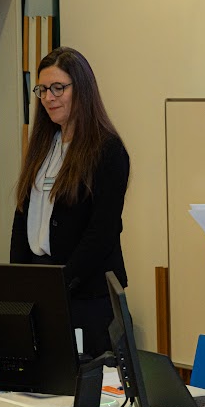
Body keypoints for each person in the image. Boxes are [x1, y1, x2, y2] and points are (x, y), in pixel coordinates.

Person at [11, 47, 129, 357]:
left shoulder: (108, 150)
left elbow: (101, 233)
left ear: (82, 88)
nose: (49, 97)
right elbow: (22, 218)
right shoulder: (42, 145)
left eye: (58, 88)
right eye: (42, 90)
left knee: (83, 389)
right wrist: (20, 284)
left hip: (85, 292)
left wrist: (60, 284)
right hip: (42, 287)